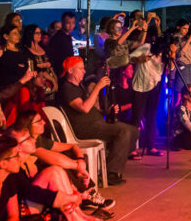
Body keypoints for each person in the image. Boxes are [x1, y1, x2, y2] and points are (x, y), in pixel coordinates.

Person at [56, 55, 136, 183]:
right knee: (124, 131)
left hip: (95, 123)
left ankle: (111, 161)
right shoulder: (67, 88)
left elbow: (91, 108)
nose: (84, 71)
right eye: (80, 68)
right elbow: (84, 108)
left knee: (133, 130)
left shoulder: (78, 86)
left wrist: (107, 111)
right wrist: (98, 88)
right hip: (84, 128)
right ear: (70, 70)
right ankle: (111, 173)